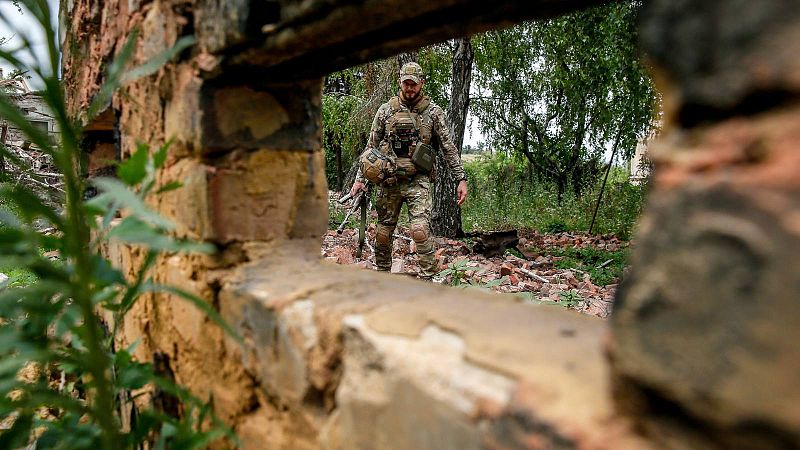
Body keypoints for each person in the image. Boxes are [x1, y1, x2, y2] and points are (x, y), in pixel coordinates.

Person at [350, 61, 468, 279]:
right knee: (383, 233)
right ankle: (383, 277)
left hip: (418, 180)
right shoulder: (386, 110)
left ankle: (427, 279)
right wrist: (360, 179)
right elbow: (371, 147)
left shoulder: (433, 113)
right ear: (400, 82)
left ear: (422, 83)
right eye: (406, 84)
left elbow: (448, 147)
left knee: (420, 231)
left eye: (414, 84)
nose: (410, 88)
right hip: (390, 180)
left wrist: (460, 178)